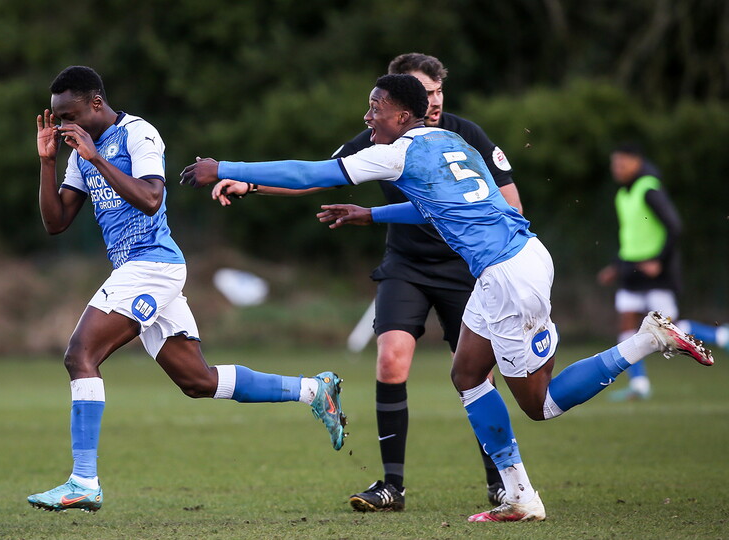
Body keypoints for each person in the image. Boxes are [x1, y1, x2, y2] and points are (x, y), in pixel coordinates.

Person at [181, 73, 714, 522]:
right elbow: (440, 207)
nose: (369, 117)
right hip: (518, 259)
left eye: (377, 109)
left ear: (403, 116)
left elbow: (313, 173)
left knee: (540, 404)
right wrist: (371, 214)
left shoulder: (392, 154)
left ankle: (644, 342)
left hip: (508, 277)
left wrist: (225, 169)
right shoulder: (451, 143)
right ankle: (517, 495)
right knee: (465, 375)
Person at [26, 66, 347, 513]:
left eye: (70, 114)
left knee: (80, 357)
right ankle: (315, 390)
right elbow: (55, 222)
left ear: (96, 103)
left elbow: (152, 198)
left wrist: (96, 157)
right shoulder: (79, 154)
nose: (64, 126)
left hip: (151, 267)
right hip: (144, 271)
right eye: (58, 119)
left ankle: (83, 481)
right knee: (198, 381)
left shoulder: (137, 134)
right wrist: (47, 162)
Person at [211, 52, 520, 512]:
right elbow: (316, 176)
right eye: (423, 93)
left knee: (476, 376)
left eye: (438, 93)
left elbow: (510, 207)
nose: (432, 102)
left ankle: (501, 482)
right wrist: (249, 183)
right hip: (407, 265)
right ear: (401, 100)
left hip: (464, 268)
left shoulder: (467, 135)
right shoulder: (382, 136)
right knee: (391, 360)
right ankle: (391, 486)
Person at [598, 143, 728, 399]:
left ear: (636, 162)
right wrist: (616, 267)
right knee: (626, 323)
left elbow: (674, 226)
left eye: (621, 163)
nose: (617, 169)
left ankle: (722, 335)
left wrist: (658, 260)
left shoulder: (648, 188)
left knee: (672, 327)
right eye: (615, 164)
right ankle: (639, 384)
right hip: (631, 272)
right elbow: (634, 237)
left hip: (656, 274)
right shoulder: (623, 194)